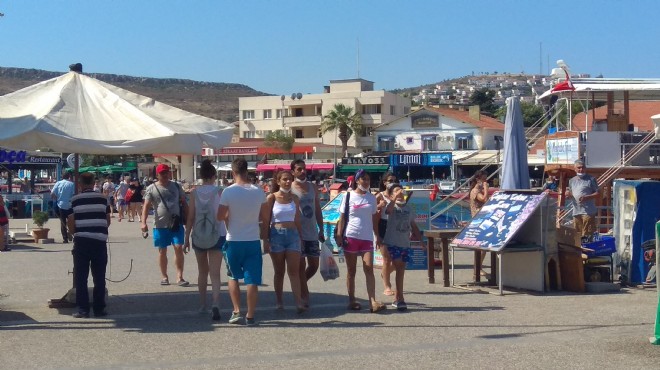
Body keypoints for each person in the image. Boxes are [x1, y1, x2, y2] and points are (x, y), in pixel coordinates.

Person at [217, 158, 269, 326]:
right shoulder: (258, 191)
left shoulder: (228, 192)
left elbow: (219, 216)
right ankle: (251, 315)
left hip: (234, 240)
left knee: (233, 276)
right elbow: (265, 216)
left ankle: (237, 310)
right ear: (247, 171)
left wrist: (230, 216)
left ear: (233, 173)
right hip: (252, 239)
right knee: (252, 279)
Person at [335, 169, 386, 313]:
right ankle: (351, 300)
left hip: (366, 237)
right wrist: (339, 234)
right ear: (357, 180)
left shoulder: (371, 198)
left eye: (368, 179)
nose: (366, 182)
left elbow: (374, 218)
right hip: (350, 236)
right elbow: (342, 217)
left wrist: (377, 236)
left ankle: (372, 301)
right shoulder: (348, 196)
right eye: (363, 179)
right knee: (351, 271)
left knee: (368, 268)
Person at [184, 159, 226, 321]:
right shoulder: (220, 191)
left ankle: (202, 304)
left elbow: (191, 216)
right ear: (214, 176)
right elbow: (225, 214)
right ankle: (216, 302)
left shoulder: (194, 193)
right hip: (217, 233)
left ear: (201, 176)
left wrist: (186, 236)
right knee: (215, 273)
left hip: (199, 235)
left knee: (202, 272)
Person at [67, 172, 111, 318]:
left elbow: (71, 221)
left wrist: (74, 233)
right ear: (94, 183)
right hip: (99, 241)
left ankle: (83, 309)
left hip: (81, 241)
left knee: (81, 277)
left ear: (80, 184)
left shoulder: (74, 200)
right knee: (99, 277)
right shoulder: (103, 199)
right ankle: (99, 309)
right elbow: (107, 220)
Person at [141, 164, 190, 287]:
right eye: (162, 173)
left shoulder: (176, 186)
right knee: (162, 250)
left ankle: (180, 276)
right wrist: (143, 222)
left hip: (176, 224)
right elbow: (146, 206)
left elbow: (184, 203)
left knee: (179, 247)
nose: (165, 175)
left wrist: (189, 219)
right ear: (157, 175)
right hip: (160, 225)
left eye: (166, 172)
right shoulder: (151, 188)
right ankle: (164, 276)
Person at [266, 170, 305, 313]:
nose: (288, 182)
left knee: (294, 271)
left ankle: (299, 302)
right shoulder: (271, 198)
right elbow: (266, 219)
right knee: (279, 271)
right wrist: (266, 239)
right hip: (276, 234)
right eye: (284, 179)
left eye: (290, 179)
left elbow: (297, 220)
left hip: (292, 235)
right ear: (278, 181)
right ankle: (279, 300)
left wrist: (300, 238)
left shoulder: (295, 198)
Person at [382, 183, 422, 311]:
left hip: (405, 242)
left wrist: (421, 241)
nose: (400, 192)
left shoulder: (408, 208)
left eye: (401, 189)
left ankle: (398, 297)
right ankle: (400, 298)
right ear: (392, 194)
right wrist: (394, 199)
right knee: (398, 266)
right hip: (392, 242)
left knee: (401, 270)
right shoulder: (391, 206)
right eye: (396, 190)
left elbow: (413, 225)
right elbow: (388, 211)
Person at [290, 159, 324, 308]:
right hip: (297, 233)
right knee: (300, 265)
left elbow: (317, 208)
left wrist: (321, 228)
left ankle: (299, 284)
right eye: (299, 169)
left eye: (304, 169)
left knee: (314, 265)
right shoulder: (290, 188)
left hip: (312, 232)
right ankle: (304, 295)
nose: (302, 171)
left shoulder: (312, 187)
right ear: (293, 172)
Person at [375, 172, 398, 297]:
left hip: (395, 227)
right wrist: (376, 235)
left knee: (396, 262)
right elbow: (374, 215)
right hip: (383, 226)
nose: (392, 182)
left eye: (394, 180)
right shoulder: (380, 196)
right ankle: (387, 286)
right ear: (384, 182)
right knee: (387, 259)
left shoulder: (399, 194)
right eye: (390, 180)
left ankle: (385, 273)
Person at [566, 160, 599, 240]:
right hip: (576, 211)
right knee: (578, 234)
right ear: (575, 169)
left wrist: (587, 197)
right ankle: (579, 249)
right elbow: (570, 193)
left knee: (587, 233)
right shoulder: (571, 181)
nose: (581, 169)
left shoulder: (591, 179)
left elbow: (598, 193)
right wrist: (568, 195)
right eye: (579, 168)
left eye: (583, 167)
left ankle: (589, 247)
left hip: (588, 211)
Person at [469, 170, 490, 278]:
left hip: (482, 220)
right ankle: (477, 268)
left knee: (483, 247)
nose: (485, 181)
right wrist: (486, 188)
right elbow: (484, 198)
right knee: (481, 247)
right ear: (478, 180)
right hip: (477, 221)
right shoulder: (475, 191)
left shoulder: (478, 190)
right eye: (483, 179)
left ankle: (478, 267)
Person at [51, 172, 75, 243]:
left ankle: (65, 238)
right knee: (71, 221)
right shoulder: (71, 184)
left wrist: (57, 198)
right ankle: (72, 234)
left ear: (62, 177)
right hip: (70, 205)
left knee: (63, 222)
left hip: (60, 205)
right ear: (69, 177)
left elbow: (52, 194)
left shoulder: (58, 183)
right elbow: (74, 194)